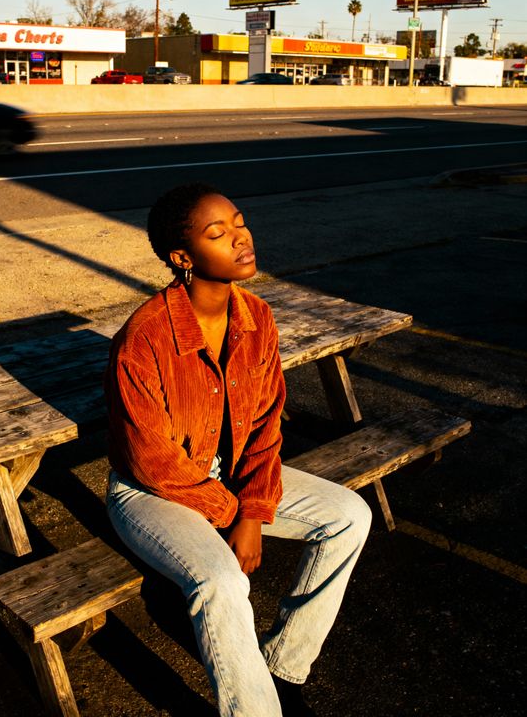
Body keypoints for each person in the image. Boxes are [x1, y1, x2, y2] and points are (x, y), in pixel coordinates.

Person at [105, 183, 372, 717]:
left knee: (349, 515)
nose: (240, 238)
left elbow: (266, 426)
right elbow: (149, 460)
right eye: (217, 233)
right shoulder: (145, 337)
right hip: (150, 493)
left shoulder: (257, 318)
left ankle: (282, 665)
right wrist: (237, 515)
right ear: (182, 258)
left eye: (239, 222)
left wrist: (251, 508)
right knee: (221, 581)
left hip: (228, 477)